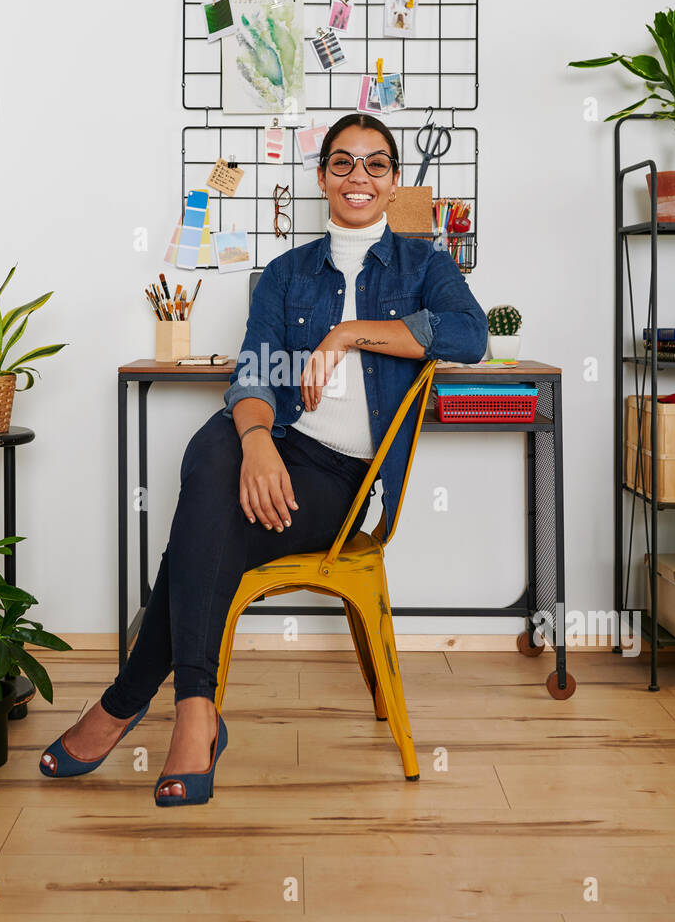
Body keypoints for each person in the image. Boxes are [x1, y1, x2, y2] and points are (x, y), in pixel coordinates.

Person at [39, 112, 488, 804]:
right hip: (280, 448)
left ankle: (129, 702)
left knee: (201, 518)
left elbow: (469, 335)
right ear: (321, 177)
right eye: (342, 163)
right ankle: (195, 712)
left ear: (394, 181)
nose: (358, 177)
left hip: (347, 482)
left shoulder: (425, 266)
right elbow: (251, 376)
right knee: (216, 450)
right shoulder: (284, 275)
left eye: (374, 164)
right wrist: (256, 443)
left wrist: (349, 335)